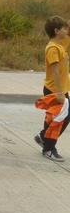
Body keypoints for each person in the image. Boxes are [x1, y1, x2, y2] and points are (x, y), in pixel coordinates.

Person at [34, 16, 70, 162]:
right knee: (57, 119)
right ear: (56, 31)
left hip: (61, 89)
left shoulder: (60, 45)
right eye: (63, 28)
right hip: (55, 90)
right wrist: (60, 93)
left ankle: (43, 138)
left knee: (59, 117)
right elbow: (55, 71)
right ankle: (48, 148)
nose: (66, 30)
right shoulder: (52, 48)